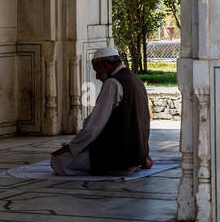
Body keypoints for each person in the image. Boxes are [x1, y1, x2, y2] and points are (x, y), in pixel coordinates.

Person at [49, 46, 152, 176]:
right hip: (138, 150)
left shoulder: (112, 83)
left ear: (106, 64)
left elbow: (94, 126)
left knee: (58, 161)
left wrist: (71, 147)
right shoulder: (135, 79)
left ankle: (123, 167)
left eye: (97, 71)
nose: (97, 76)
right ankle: (139, 160)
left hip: (119, 154)